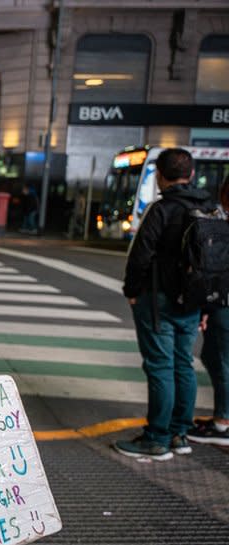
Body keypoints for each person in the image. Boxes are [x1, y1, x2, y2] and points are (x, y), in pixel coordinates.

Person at [116, 148, 210, 460]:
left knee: (160, 367)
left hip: (158, 300)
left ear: (159, 176)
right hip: (194, 301)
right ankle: (179, 434)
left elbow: (140, 255)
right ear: (192, 174)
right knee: (183, 363)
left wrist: (132, 290)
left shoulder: (162, 209)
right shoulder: (209, 208)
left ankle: (155, 438)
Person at [188, 176, 229, 446]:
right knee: (215, 357)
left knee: (220, 359)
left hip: (224, 303)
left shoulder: (223, 222)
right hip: (221, 301)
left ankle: (223, 422)